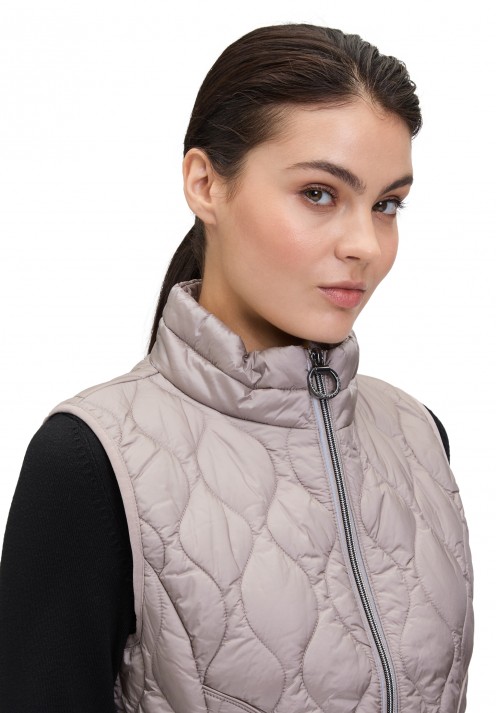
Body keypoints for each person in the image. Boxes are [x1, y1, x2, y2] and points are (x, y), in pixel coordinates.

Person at [0, 23, 473, 713]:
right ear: (205, 184)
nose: (365, 245)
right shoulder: (92, 460)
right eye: (319, 193)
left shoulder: (418, 436)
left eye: (386, 204)